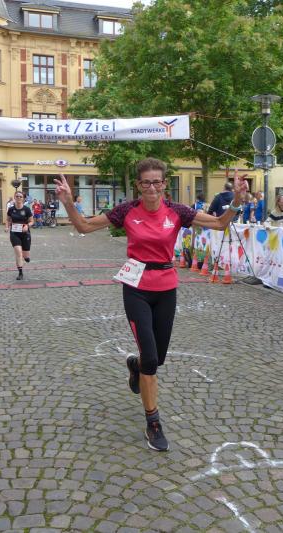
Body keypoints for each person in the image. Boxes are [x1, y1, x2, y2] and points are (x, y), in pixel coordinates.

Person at [54, 158, 247, 452]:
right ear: (138, 185)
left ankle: (135, 364)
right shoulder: (127, 211)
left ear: (164, 184)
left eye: (157, 182)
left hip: (166, 289)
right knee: (151, 359)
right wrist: (68, 202)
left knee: (156, 358)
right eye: (146, 182)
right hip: (136, 289)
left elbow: (220, 224)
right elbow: (83, 226)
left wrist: (236, 202)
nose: (152, 188)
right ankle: (153, 422)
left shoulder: (178, 211)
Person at [5, 192, 34, 280]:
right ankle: (20, 272)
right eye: (17, 196)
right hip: (14, 233)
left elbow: (32, 221)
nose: (18, 198)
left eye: (20, 197)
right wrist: (7, 227)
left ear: (23, 199)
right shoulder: (11, 209)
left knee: (26, 256)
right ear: (14, 197)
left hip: (25, 234)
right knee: (18, 252)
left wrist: (27, 226)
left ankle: (26, 257)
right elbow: (8, 220)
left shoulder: (27, 209)